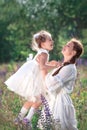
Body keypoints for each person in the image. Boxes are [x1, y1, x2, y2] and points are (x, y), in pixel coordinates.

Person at [5, 30, 59, 126]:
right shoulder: (44, 54)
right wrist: (54, 67)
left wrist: (50, 64)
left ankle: (20, 119)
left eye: (52, 40)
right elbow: (42, 67)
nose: (52, 41)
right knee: (38, 100)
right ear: (42, 43)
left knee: (33, 100)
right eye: (49, 40)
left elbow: (42, 65)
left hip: (34, 77)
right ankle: (26, 120)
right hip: (35, 78)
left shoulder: (42, 52)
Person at [45, 38, 84, 130]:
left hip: (62, 104)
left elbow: (51, 84)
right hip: (55, 100)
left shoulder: (69, 68)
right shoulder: (63, 66)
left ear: (73, 52)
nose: (65, 46)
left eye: (68, 45)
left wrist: (44, 69)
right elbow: (48, 81)